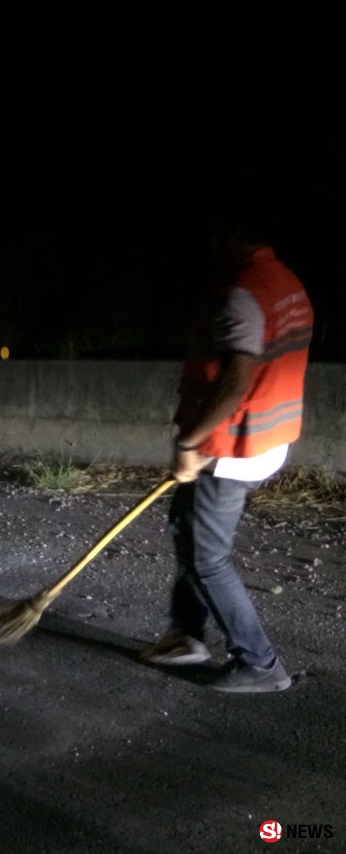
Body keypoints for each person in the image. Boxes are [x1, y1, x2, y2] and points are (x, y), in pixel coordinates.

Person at [140, 226, 314, 694]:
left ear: (227, 238)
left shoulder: (241, 294)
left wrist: (190, 443)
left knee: (208, 558)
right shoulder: (287, 284)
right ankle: (186, 635)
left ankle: (260, 663)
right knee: (185, 524)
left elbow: (235, 383)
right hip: (261, 437)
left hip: (233, 445)